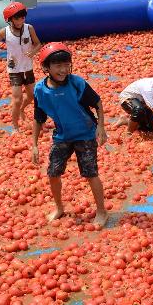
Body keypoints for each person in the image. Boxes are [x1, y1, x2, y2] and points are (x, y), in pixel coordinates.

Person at [31, 43, 108, 228]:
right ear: (46, 68)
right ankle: (59, 207)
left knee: (91, 174)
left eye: (66, 65)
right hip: (62, 136)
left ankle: (102, 211)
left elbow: (97, 103)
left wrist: (101, 127)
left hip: (86, 134)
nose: (63, 70)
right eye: (58, 66)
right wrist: (34, 144)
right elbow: (38, 118)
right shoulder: (40, 90)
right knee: (53, 173)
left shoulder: (77, 83)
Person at [0, 1, 41, 130]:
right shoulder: (5, 32)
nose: (21, 20)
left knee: (32, 96)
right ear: (9, 19)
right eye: (17, 18)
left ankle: (21, 110)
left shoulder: (29, 28)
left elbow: (38, 44)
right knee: (17, 99)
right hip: (14, 70)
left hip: (27, 68)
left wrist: (33, 51)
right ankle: (15, 127)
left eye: (23, 17)